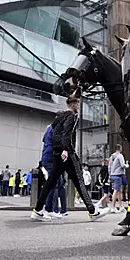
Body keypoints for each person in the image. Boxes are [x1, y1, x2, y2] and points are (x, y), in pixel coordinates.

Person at [30, 91, 110, 222]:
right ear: (73, 103)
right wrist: (66, 149)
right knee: (79, 181)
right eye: (78, 102)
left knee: (50, 182)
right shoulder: (72, 116)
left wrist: (58, 149)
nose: (79, 105)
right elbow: (67, 133)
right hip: (67, 154)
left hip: (57, 154)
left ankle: (37, 211)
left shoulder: (58, 117)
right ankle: (93, 211)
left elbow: (56, 135)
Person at [108, 144, 128, 213]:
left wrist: (110, 175)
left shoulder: (112, 156)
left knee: (119, 191)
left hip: (113, 174)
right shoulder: (120, 156)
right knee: (116, 191)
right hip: (118, 175)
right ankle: (113, 207)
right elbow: (122, 165)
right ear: (120, 149)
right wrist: (127, 165)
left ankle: (121, 206)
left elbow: (109, 166)